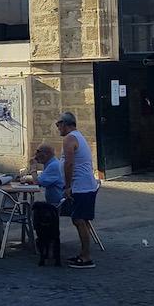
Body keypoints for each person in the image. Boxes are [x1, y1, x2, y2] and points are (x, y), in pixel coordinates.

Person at [56, 111, 99, 268]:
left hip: (80, 186)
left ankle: (86, 257)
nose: (57, 128)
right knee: (80, 220)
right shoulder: (78, 136)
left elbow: (69, 163)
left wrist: (67, 186)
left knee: (79, 220)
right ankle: (83, 253)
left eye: (58, 124)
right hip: (85, 185)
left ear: (65, 124)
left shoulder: (70, 138)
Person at [33, 143, 65, 208]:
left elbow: (38, 182)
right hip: (53, 202)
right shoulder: (51, 164)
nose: (36, 155)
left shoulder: (53, 165)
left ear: (46, 154)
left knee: (35, 207)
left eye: (38, 152)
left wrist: (33, 167)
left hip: (56, 204)